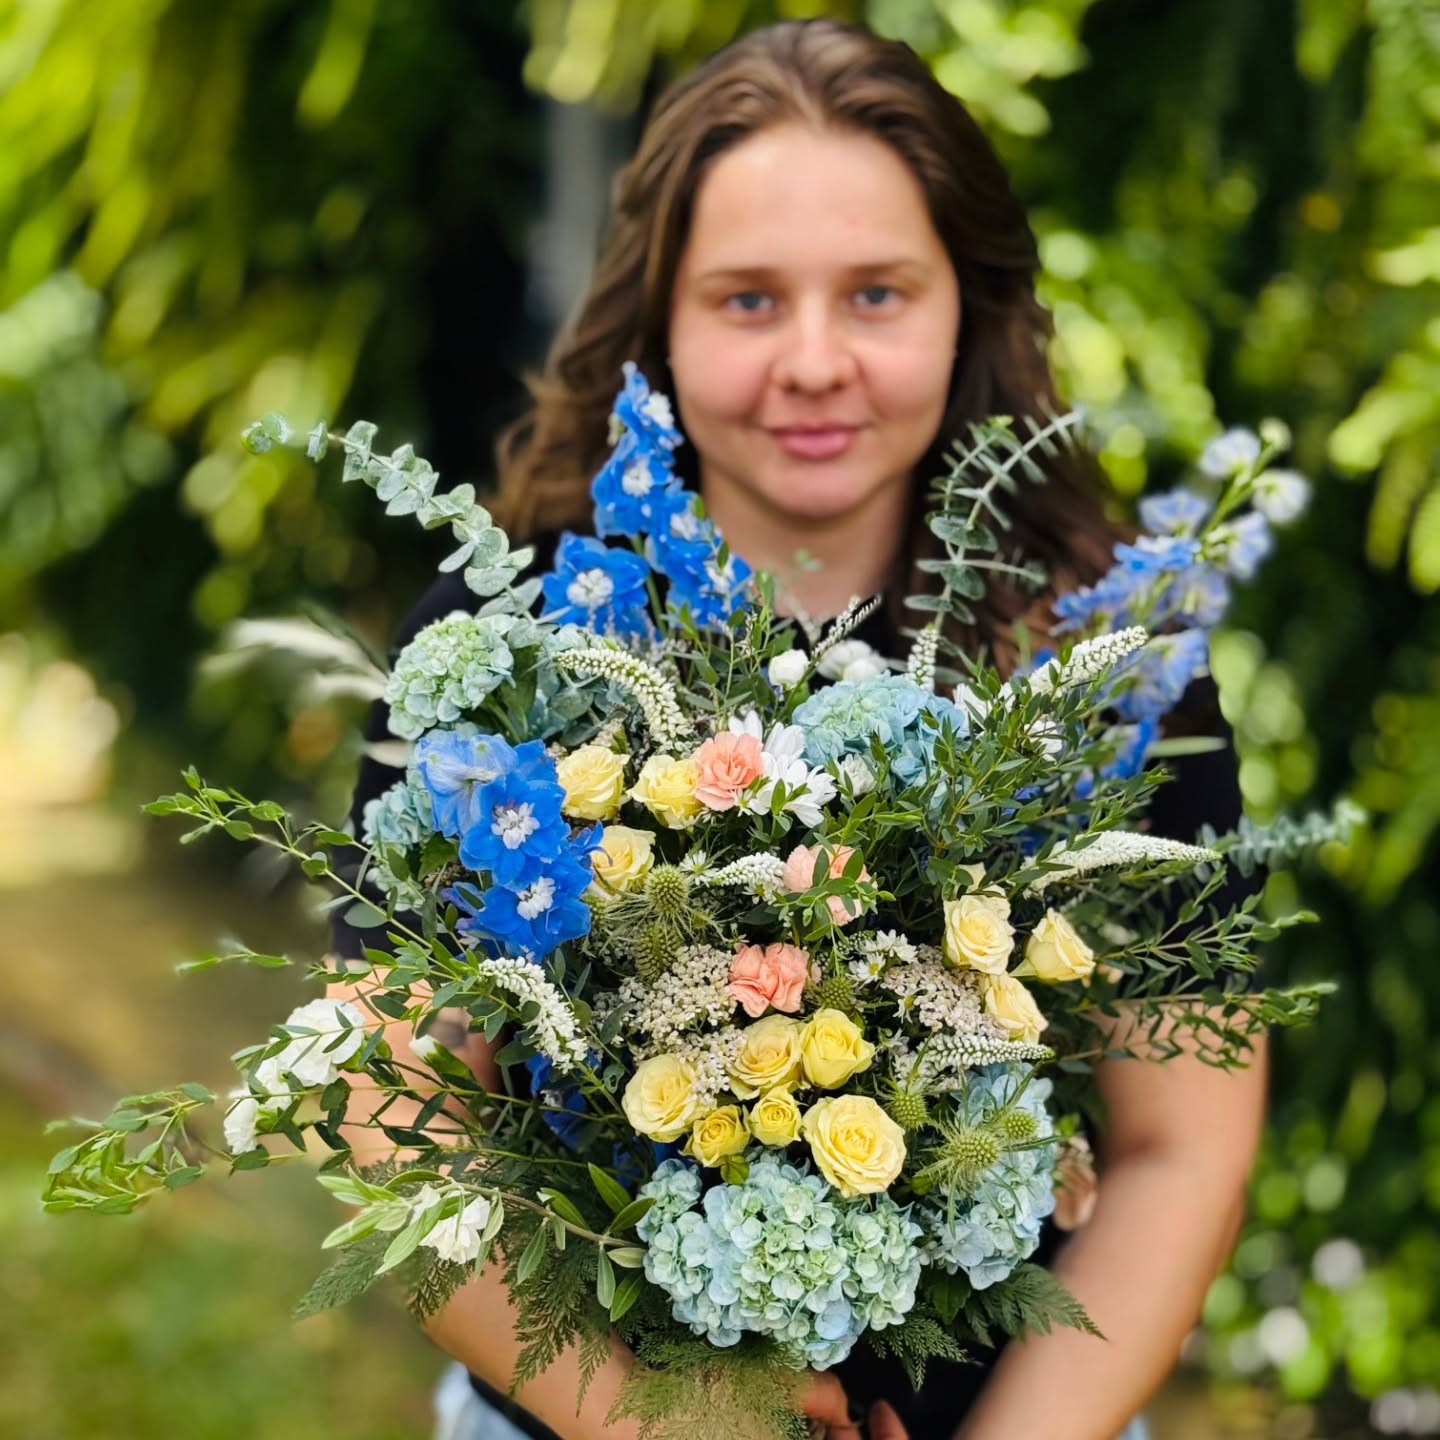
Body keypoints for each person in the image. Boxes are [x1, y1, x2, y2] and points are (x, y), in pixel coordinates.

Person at [328, 18, 1269, 1440]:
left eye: (879, 294)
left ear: (971, 305)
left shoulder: (1107, 672)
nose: (815, 360)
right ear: (656, 321)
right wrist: (663, 1426)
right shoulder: (504, 650)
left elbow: (1178, 1145)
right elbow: (389, 1106)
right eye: (749, 300)